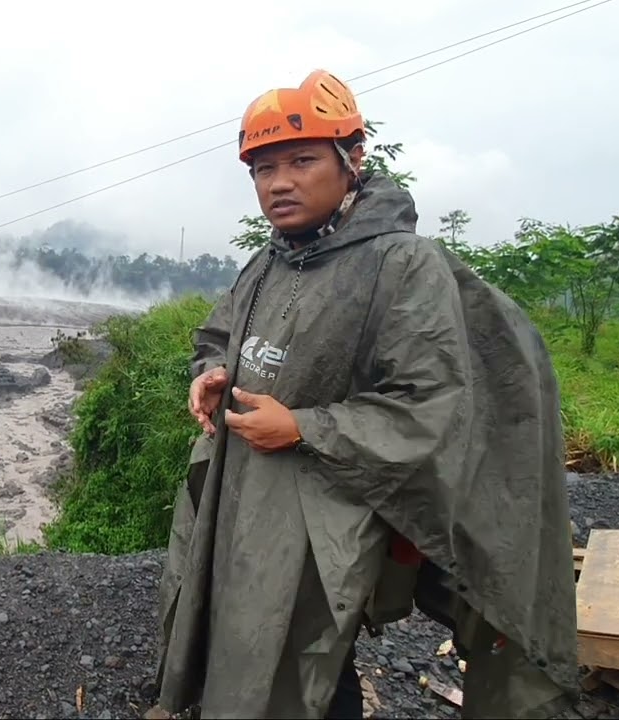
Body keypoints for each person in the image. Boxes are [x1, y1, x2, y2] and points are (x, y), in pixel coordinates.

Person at [150, 70, 580, 719]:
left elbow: (429, 403)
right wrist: (211, 369)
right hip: (245, 498)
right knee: (239, 630)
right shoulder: (272, 260)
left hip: (335, 513)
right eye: (263, 168)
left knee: (311, 657)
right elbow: (219, 329)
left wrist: (301, 426)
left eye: (301, 160)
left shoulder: (403, 264)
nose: (280, 182)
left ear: (353, 161)